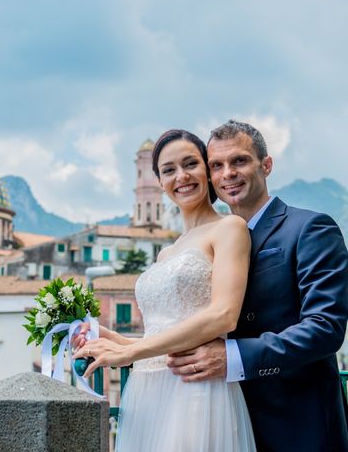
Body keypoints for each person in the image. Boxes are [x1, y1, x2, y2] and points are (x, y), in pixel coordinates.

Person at [166, 120, 348, 451]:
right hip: (226, 420)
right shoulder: (213, 243)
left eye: (239, 161)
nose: (227, 174)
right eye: (217, 166)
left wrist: (234, 358)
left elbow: (326, 328)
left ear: (266, 165)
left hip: (297, 426)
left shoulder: (311, 228)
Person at [73, 129, 256, 451]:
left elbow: (224, 316)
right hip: (148, 389)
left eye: (190, 164)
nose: (181, 176)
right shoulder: (166, 253)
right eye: (169, 170)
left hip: (196, 388)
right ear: (159, 181)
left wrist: (131, 352)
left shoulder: (229, 228)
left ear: (208, 170)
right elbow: (167, 327)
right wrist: (114, 339)